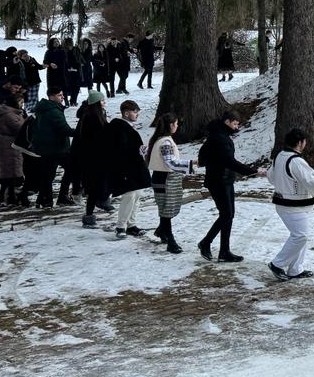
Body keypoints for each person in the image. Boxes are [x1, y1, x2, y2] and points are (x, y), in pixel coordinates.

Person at [266, 128, 314, 280]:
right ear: (300, 143)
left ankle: (295, 269)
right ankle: (277, 264)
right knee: (301, 236)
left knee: (301, 235)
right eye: (304, 141)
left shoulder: (279, 156)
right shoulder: (296, 161)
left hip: (286, 203)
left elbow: (271, 177)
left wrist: (284, 185)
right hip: (292, 205)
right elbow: (311, 182)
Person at [198, 111, 256, 261]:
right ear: (227, 122)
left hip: (225, 180)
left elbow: (204, 157)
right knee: (226, 214)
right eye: (235, 124)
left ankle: (224, 251)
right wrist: (252, 171)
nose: (237, 127)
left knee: (228, 215)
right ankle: (206, 242)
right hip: (218, 181)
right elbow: (229, 161)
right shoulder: (219, 138)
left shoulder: (219, 135)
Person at [144, 113, 194, 253]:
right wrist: (191, 163)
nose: (177, 126)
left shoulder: (157, 139)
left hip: (160, 178)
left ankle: (161, 231)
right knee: (167, 210)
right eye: (176, 124)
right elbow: (171, 162)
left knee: (165, 208)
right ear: (171, 125)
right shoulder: (165, 142)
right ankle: (171, 241)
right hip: (166, 179)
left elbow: (144, 152)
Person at [108, 99, 151, 238]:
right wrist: (137, 150)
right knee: (129, 195)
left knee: (137, 194)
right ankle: (121, 226)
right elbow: (120, 149)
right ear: (126, 113)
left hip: (134, 166)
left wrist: (140, 150)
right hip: (125, 168)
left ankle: (131, 224)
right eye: (134, 111)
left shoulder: (127, 126)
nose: (137, 114)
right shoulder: (119, 128)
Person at [69, 95, 110, 228]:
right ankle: (89, 215)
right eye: (102, 100)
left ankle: (100, 202)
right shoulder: (91, 118)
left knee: (98, 184)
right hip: (93, 158)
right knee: (93, 187)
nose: (104, 102)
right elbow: (96, 138)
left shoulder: (95, 115)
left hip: (95, 157)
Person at [30, 86, 74, 209]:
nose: (63, 97)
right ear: (52, 96)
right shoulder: (53, 111)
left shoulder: (44, 108)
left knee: (48, 175)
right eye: (60, 95)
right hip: (56, 148)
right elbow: (64, 129)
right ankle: (57, 198)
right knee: (69, 169)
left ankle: (46, 200)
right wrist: (80, 132)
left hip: (47, 147)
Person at [0, 84, 30, 208]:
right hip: (9, 145)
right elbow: (20, 128)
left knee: (12, 171)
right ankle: (6, 197)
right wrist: (28, 122)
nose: (22, 105)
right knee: (11, 171)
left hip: (11, 144)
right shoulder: (9, 115)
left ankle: (9, 196)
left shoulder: (14, 113)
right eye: (20, 103)